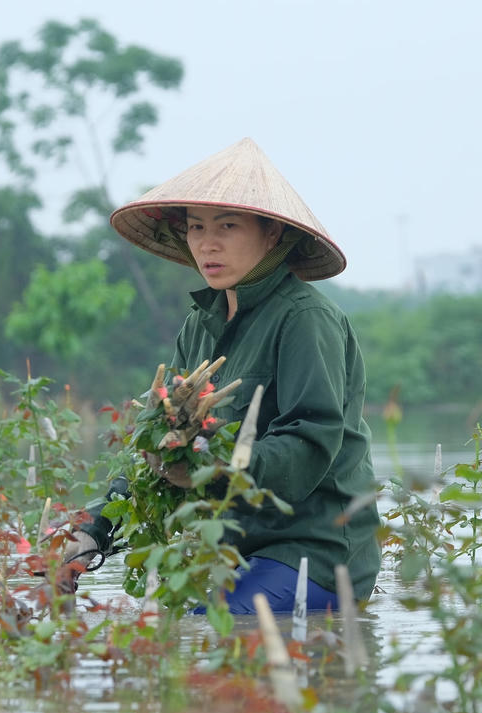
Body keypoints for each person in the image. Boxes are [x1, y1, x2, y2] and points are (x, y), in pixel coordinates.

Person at [109, 138, 381, 614]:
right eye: (195, 227)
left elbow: (307, 444)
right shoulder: (199, 325)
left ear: (272, 233)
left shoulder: (305, 320)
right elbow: (153, 439)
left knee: (211, 626)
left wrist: (208, 469)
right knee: (162, 618)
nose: (206, 244)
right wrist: (90, 531)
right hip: (232, 549)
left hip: (314, 552)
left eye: (227, 226)